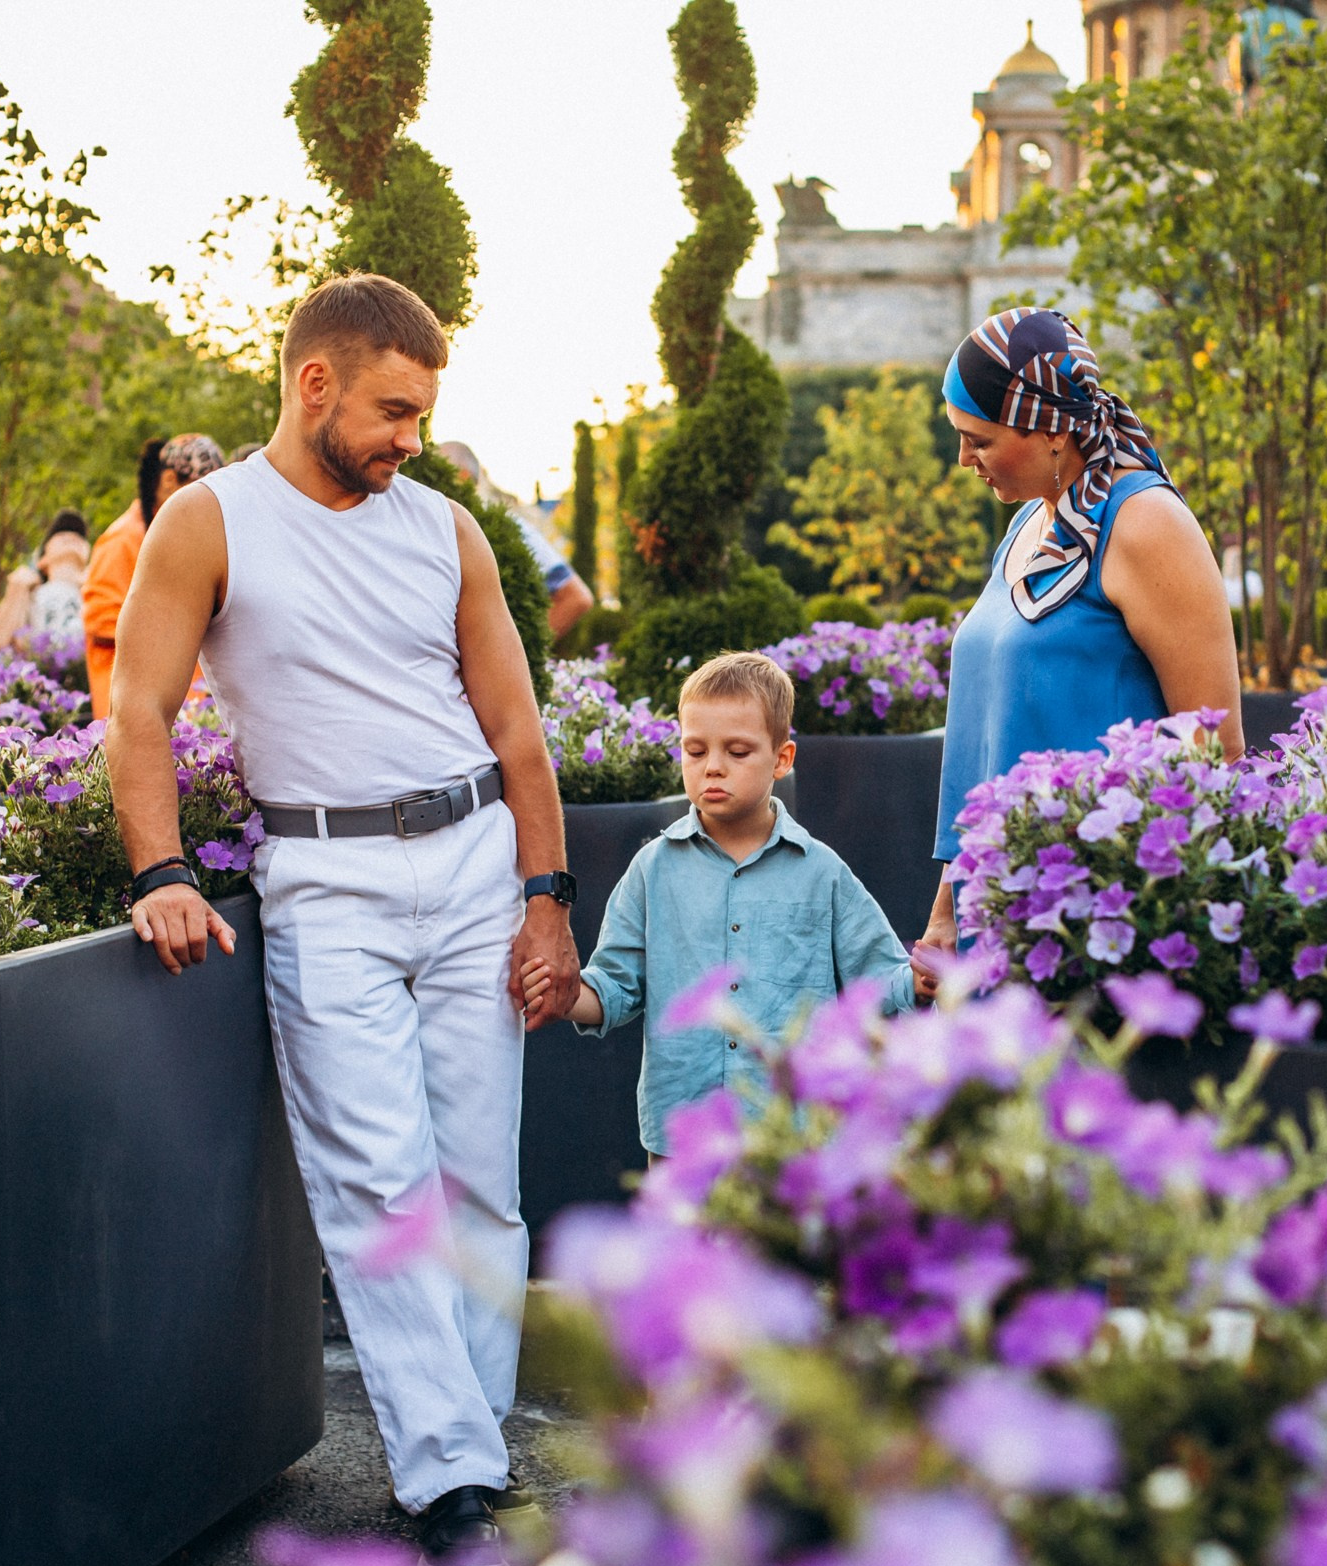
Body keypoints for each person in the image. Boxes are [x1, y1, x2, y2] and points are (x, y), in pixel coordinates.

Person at [103, 272, 576, 1566]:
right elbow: (136, 710)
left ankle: (465, 1455)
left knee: (481, 1184)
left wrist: (550, 902)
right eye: (391, 409)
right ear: (315, 383)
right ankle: (455, 1477)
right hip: (325, 879)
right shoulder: (206, 525)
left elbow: (519, 732)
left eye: (422, 415)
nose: (409, 437)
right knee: (379, 1186)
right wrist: (160, 869)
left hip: (480, 860)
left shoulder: (448, 533)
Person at [919, 307, 1242, 992]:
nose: (963, 460)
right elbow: (988, 740)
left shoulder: (1146, 524)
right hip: (996, 923)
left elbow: (1216, 752)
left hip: (1095, 933)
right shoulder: (1031, 527)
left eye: (979, 440)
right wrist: (946, 913)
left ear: (1052, 430)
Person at [520, 652, 915, 1157]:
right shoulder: (652, 868)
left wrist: (921, 983)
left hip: (794, 1134)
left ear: (782, 759)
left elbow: (879, 978)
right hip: (683, 1137)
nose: (713, 768)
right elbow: (615, 987)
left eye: (737, 751)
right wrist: (564, 993)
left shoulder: (823, 873)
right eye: (695, 750)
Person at [84, 432, 226, 717]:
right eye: (201, 489)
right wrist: (177, 630)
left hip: (186, 706)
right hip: (130, 708)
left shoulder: (188, 535)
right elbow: (100, 620)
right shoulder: (121, 540)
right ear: (170, 481)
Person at [436, 440, 596, 639]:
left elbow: (576, 598)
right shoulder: (430, 528)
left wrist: (515, 657)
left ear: (462, 477)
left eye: (435, 473)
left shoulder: (509, 529)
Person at [0, 510, 90, 650]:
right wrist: (17, 591)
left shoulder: (101, 593)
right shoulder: (29, 593)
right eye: (61, 534)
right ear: (42, 560)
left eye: (79, 536)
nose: (72, 536)